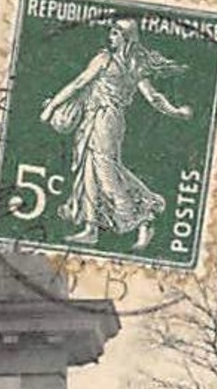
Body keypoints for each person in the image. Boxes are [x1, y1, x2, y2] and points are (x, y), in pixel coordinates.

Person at [39, 17, 192, 249]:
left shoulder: (108, 60)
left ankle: (144, 216)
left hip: (105, 120)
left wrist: (51, 107)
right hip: (99, 119)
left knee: (106, 172)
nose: (110, 37)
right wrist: (177, 112)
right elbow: (154, 98)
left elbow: (78, 83)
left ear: (126, 37)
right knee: (89, 168)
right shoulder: (134, 65)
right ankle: (91, 228)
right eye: (110, 33)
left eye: (115, 33)